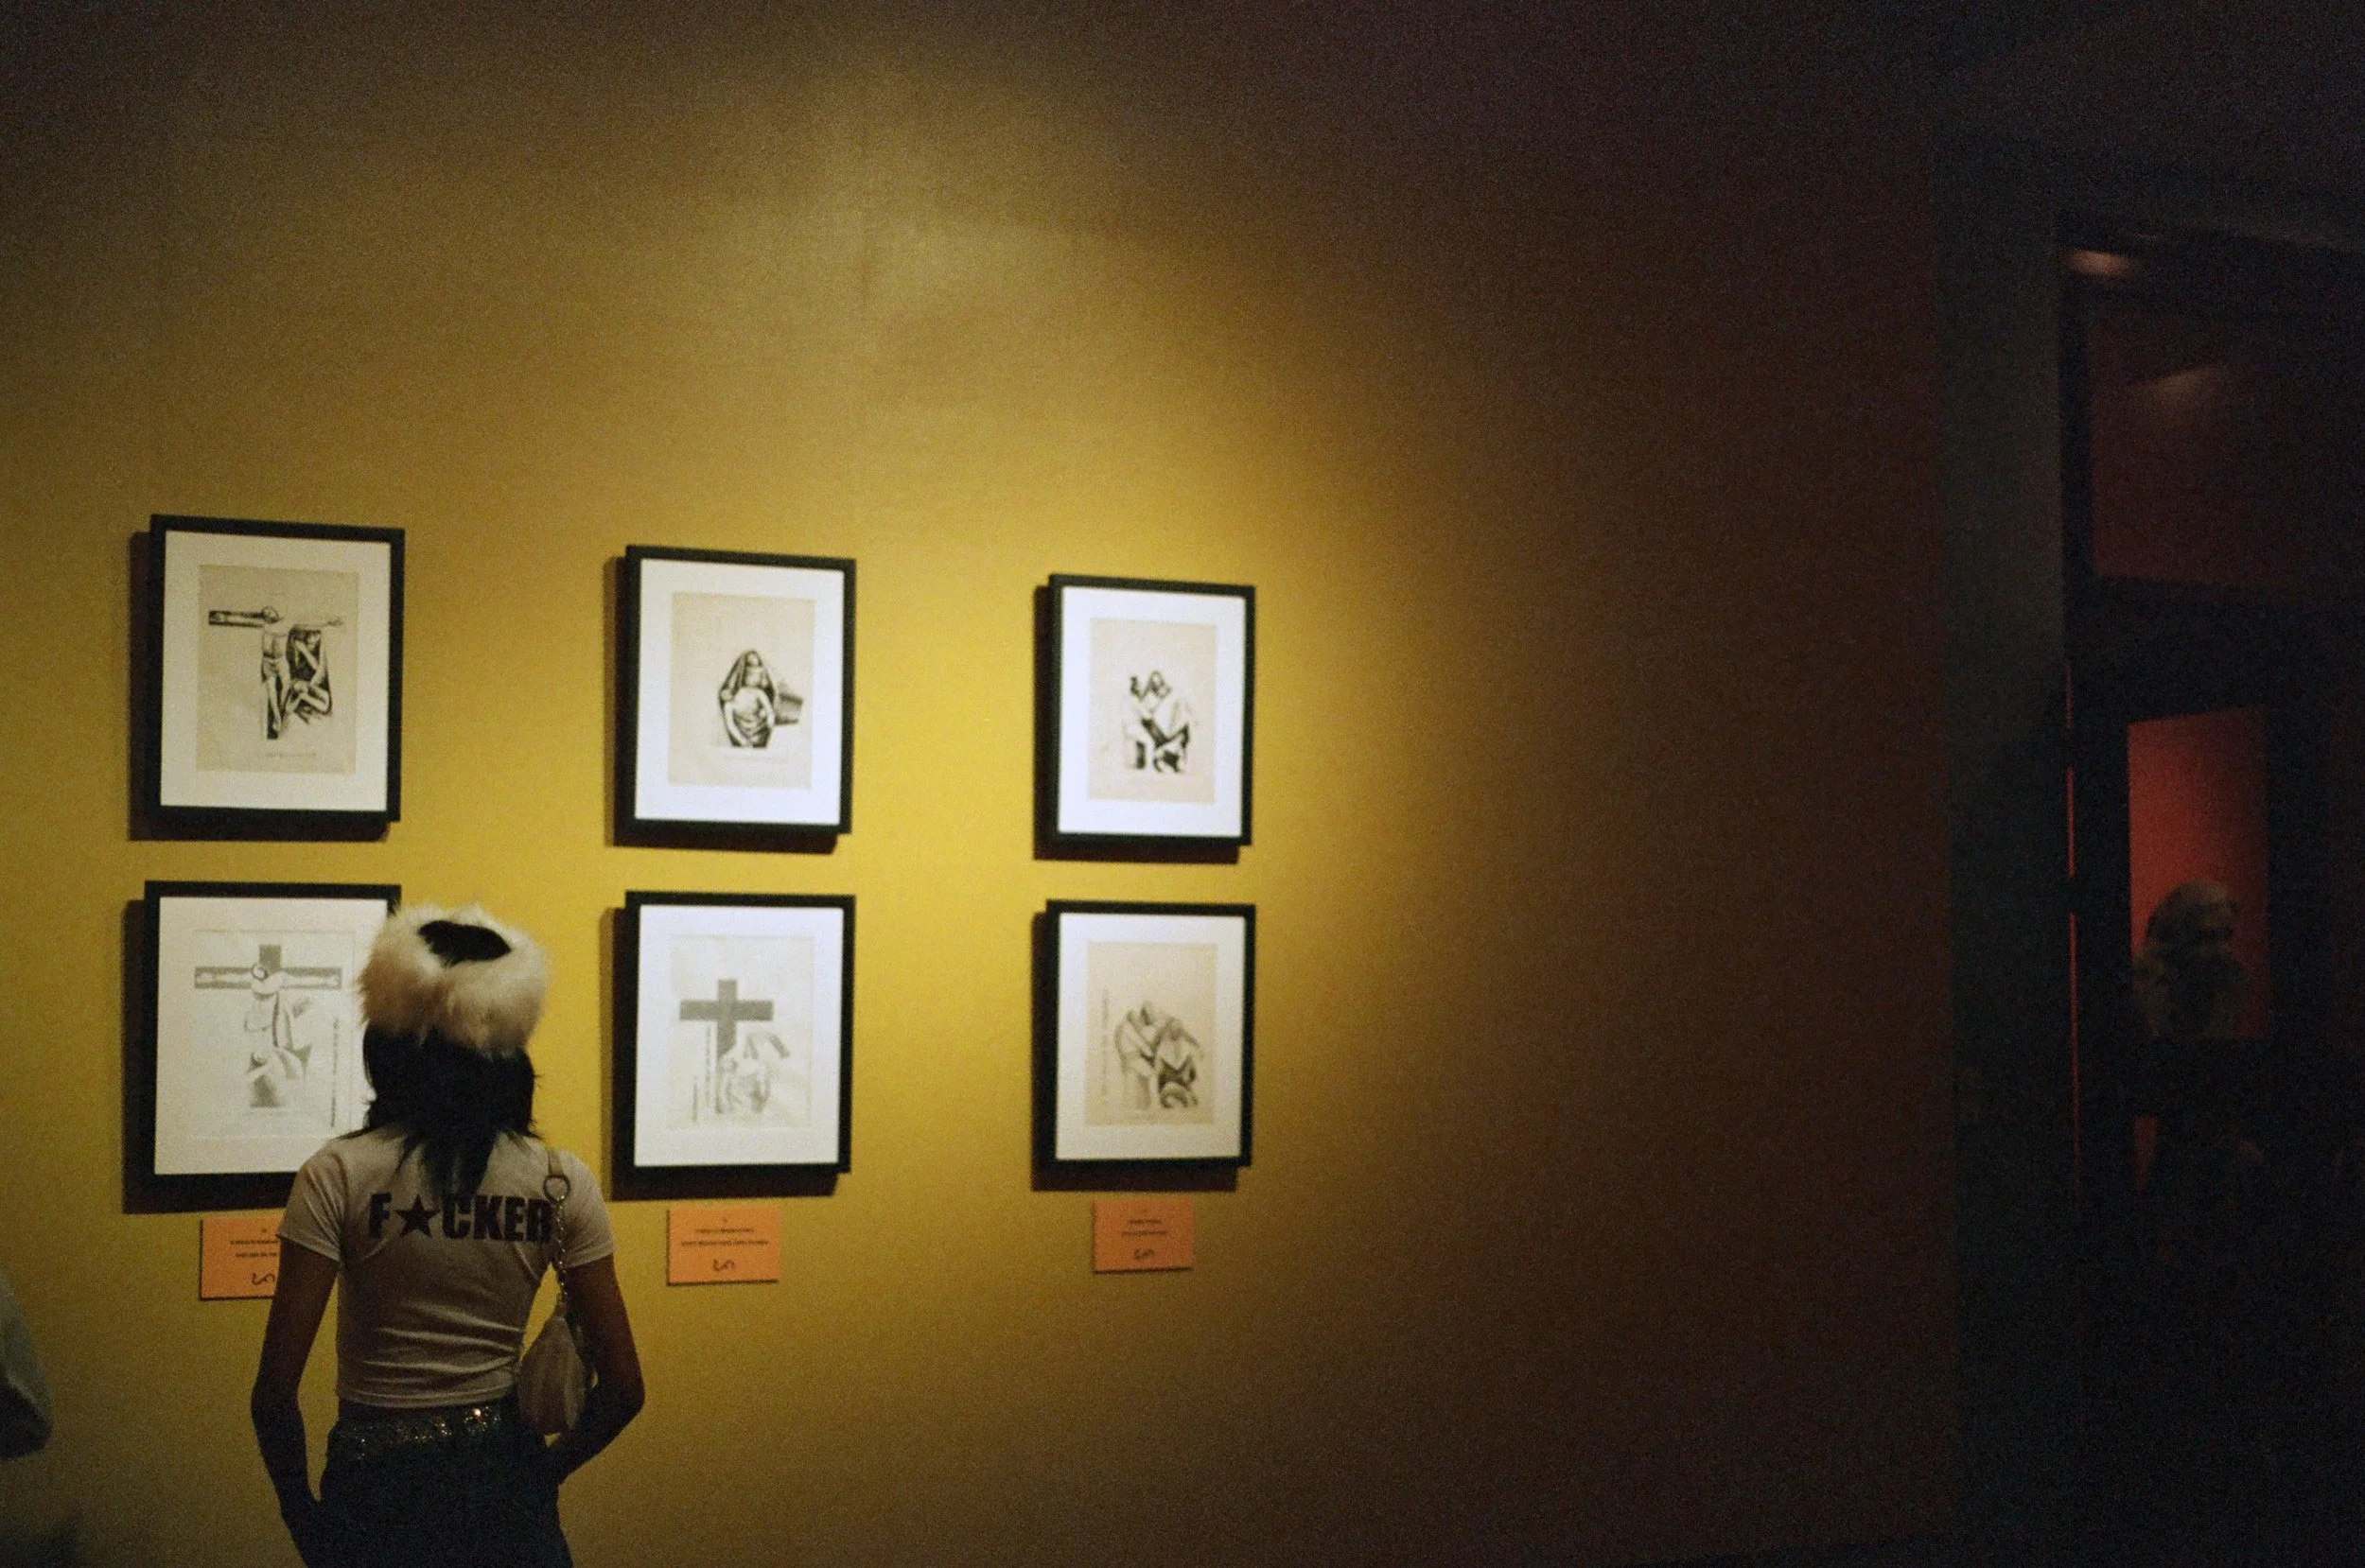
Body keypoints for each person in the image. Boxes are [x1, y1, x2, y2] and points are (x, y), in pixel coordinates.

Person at [252, 904, 644, 1567]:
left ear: (388, 1040)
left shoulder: (338, 1173)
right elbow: (625, 1390)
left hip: (374, 1489)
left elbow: (273, 1396)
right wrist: (540, 1478)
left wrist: (304, 1519)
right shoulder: (558, 1181)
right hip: (505, 1487)